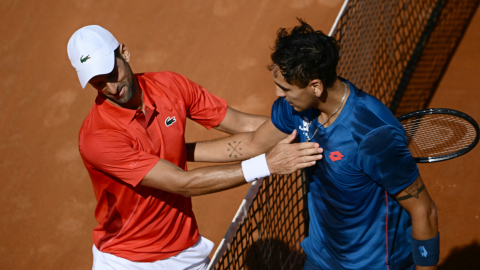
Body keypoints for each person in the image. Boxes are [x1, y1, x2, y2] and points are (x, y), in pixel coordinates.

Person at [67, 25, 323, 270]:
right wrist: (267, 165)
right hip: (128, 261)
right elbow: (183, 183)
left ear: (124, 53)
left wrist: (305, 124)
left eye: (112, 74)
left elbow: (243, 125)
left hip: (186, 251)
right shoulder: (97, 138)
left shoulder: (170, 86)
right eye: (99, 83)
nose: (112, 88)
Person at [192, 19, 439, 269]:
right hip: (321, 257)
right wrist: (179, 152)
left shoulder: (373, 136)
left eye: (285, 88)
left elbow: (424, 210)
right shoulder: (297, 108)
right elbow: (254, 143)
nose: (279, 95)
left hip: (374, 263)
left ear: (316, 86)